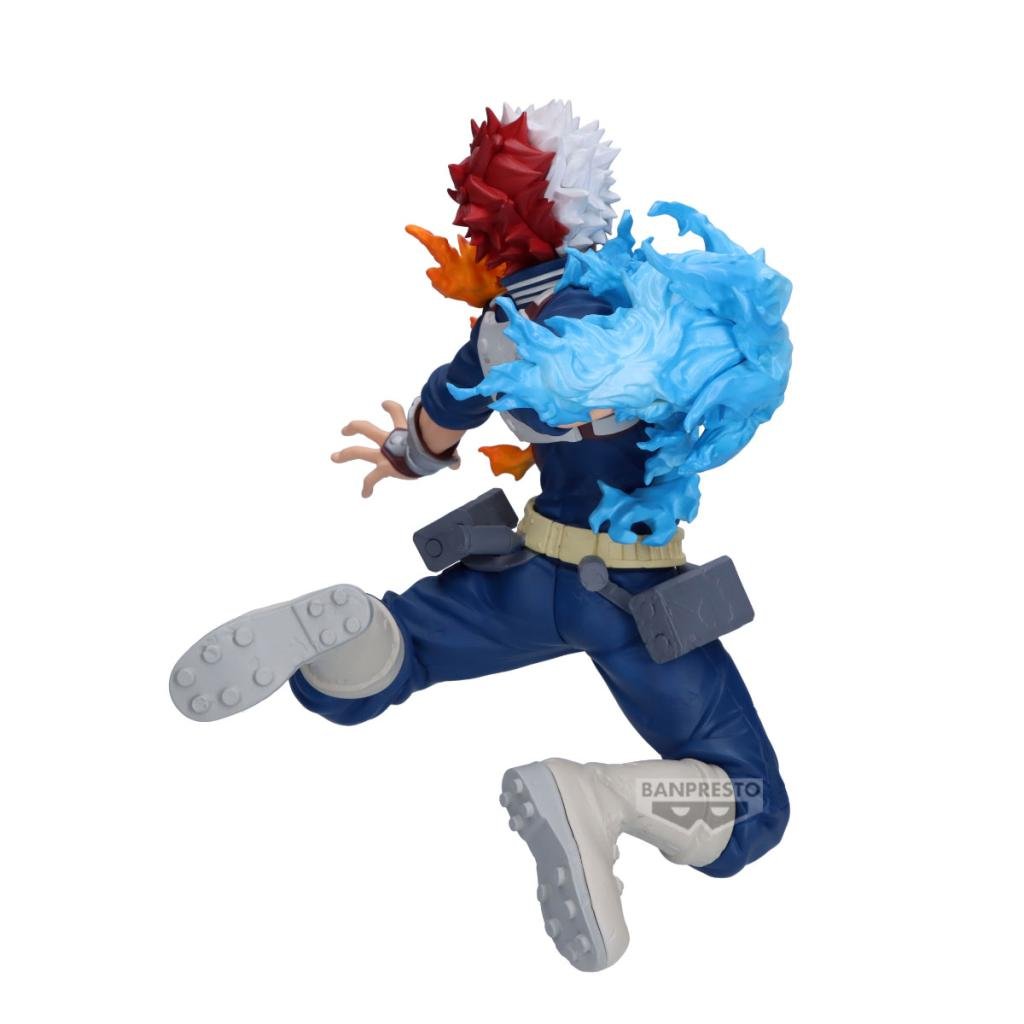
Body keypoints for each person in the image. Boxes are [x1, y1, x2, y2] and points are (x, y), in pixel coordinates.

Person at [169, 101, 792, 972]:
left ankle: (363, 636)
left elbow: (433, 430)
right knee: (750, 800)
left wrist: (401, 453)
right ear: (582, 200)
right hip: (637, 593)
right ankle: (605, 799)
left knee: (397, 659)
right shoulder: (654, 306)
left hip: (531, 567)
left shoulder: (500, 326)